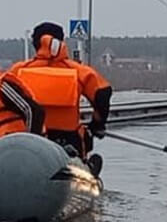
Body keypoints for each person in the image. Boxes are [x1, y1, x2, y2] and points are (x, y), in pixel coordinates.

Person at [9, 22, 113, 164]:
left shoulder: (18, 71)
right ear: (61, 42)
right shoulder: (78, 71)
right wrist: (97, 125)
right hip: (69, 140)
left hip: (29, 142)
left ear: (35, 44)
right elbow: (102, 94)